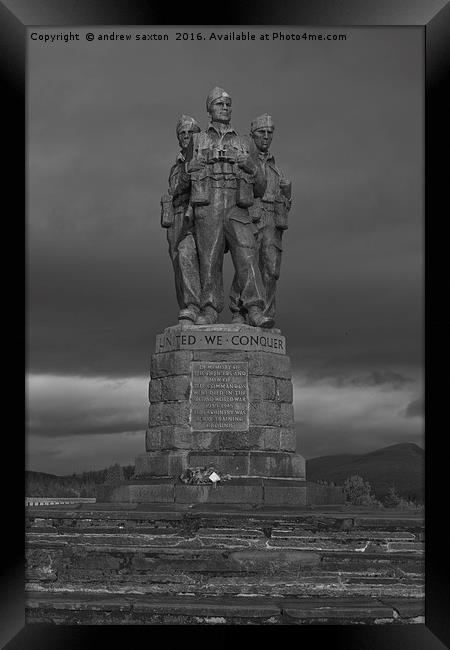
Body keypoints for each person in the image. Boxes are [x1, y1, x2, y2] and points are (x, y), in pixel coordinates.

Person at [185, 87, 273, 328]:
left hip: (236, 206)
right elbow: (183, 181)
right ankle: (210, 308)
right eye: (219, 104)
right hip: (208, 204)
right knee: (209, 260)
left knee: (247, 254)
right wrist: (191, 168)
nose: (225, 109)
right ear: (209, 108)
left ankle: (254, 308)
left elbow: (261, 188)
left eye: (228, 105)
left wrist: (252, 168)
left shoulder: (245, 141)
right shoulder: (198, 140)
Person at [230, 113, 292, 325]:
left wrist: (287, 193)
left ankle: (266, 314)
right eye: (261, 133)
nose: (266, 137)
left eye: (269, 133)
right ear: (252, 135)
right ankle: (239, 309)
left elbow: (286, 204)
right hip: (250, 216)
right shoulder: (244, 160)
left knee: (271, 269)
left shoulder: (276, 168)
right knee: (247, 264)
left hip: (272, 221)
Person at [161, 115, 202, 323]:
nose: (186, 136)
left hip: (199, 215)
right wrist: (187, 171)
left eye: (190, 132)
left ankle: (198, 307)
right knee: (179, 265)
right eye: (182, 133)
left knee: (195, 258)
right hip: (177, 215)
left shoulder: (204, 158)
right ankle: (187, 308)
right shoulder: (177, 165)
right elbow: (175, 188)